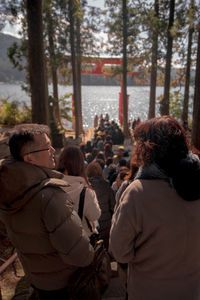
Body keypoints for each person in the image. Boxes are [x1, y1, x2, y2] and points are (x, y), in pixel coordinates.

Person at [110, 116, 200, 300]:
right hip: (192, 290)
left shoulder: (137, 193)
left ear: (146, 150)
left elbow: (120, 251)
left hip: (148, 291)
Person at [0, 124, 94, 300]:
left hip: (36, 278)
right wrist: (92, 253)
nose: (53, 150)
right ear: (29, 159)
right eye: (47, 147)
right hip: (64, 282)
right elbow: (79, 254)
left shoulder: (7, 190)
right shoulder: (50, 196)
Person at [56, 145, 101, 237]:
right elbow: (95, 215)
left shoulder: (52, 187)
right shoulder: (86, 192)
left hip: (58, 242)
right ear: (80, 165)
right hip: (81, 241)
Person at [87, 161, 115, 250]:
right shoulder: (106, 185)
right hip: (106, 225)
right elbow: (113, 206)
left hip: (91, 225)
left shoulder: (86, 186)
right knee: (105, 252)